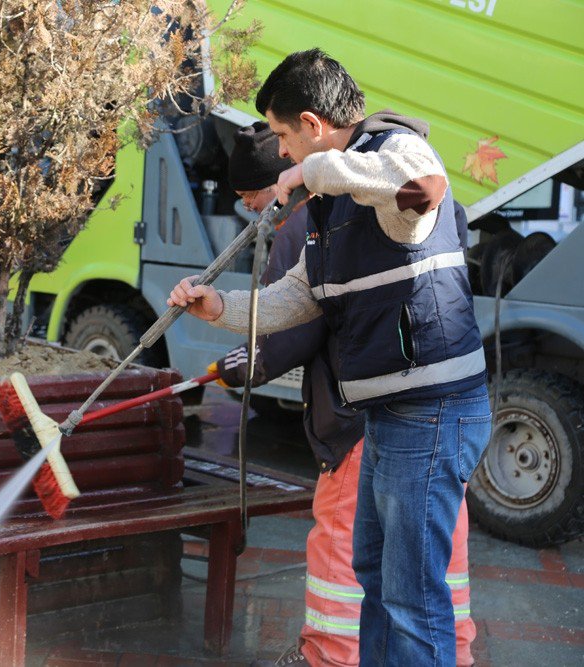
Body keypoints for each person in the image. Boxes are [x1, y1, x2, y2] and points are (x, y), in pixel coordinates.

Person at [169, 49, 490, 666]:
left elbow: (423, 191)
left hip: (431, 412)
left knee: (412, 599)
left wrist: (312, 173)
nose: (283, 153)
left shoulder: (396, 149)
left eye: (287, 136)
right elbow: (300, 296)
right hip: (392, 417)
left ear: (315, 125)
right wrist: (219, 307)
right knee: (375, 576)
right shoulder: (331, 207)